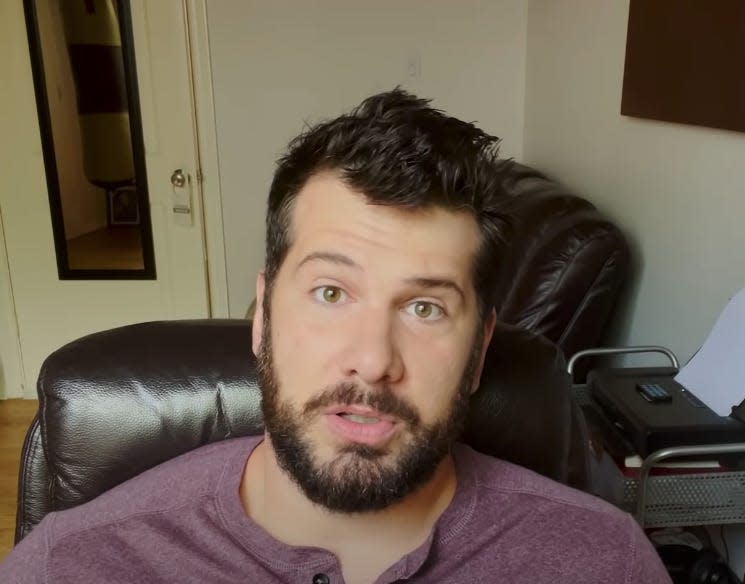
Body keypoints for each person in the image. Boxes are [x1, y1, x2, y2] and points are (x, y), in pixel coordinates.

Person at [1, 89, 670, 583]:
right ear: (262, 319)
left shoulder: (607, 562)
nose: (373, 361)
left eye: (426, 309)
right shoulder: (75, 565)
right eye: (330, 293)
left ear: (478, 354)